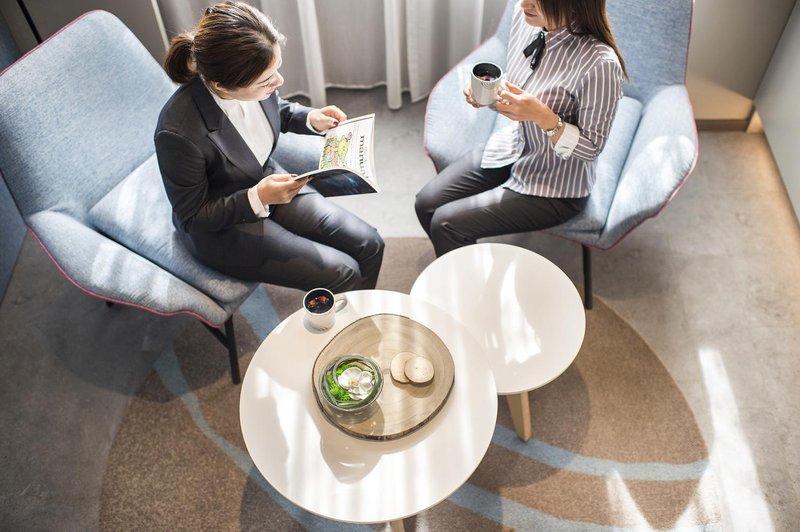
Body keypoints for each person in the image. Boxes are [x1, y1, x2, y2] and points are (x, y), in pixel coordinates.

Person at [155, 1, 384, 292]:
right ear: (222, 86)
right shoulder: (178, 134)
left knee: (370, 243)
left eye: (277, 69)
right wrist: (257, 197)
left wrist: (310, 118)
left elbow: (275, 108)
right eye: (267, 80)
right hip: (223, 226)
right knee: (343, 272)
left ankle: (362, 311)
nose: (279, 81)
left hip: (267, 180)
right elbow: (192, 217)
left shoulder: (251, 75)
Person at [415, 0, 626, 257]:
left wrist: (543, 117)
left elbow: (591, 149)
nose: (524, 3)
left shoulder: (601, 65)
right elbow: (517, 91)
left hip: (557, 186)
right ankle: (462, 265)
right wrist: (488, 95)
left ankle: (469, 278)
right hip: (513, 147)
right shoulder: (525, 18)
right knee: (425, 204)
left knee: (446, 224)